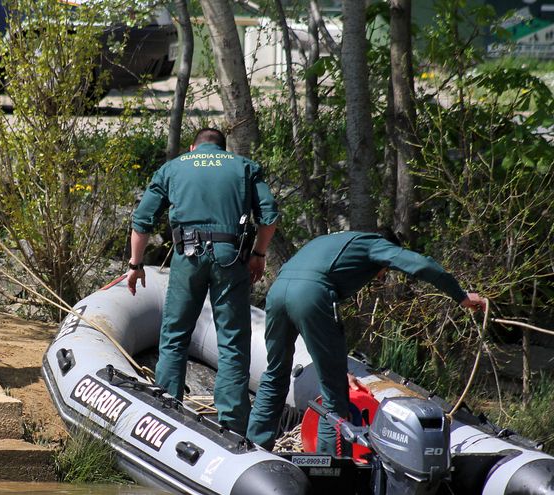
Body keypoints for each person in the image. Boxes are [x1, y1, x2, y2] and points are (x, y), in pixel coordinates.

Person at [246, 230, 486, 454]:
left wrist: (334, 364)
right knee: (334, 393)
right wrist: (461, 296)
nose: (382, 276)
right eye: (385, 271)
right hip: (311, 294)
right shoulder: (374, 244)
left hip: (278, 291)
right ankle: (329, 467)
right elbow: (422, 264)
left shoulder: (334, 240)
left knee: (275, 374)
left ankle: (253, 447)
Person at [126, 128, 279, 435]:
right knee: (233, 342)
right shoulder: (244, 167)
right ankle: (232, 426)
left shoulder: (173, 167)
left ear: (193, 146)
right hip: (231, 257)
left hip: (188, 257)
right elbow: (269, 217)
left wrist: (135, 264)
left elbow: (142, 221)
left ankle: (166, 411)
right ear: (223, 148)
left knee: (175, 335)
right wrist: (259, 254)